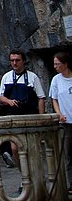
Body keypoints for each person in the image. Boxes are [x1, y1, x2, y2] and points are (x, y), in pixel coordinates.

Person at [0, 49, 46, 171]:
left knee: (32, 148)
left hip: (30, 115)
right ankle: (24, 174)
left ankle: (34, 174)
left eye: (17, 60)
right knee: (14, 148)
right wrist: (9, 101)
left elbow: (41, 97)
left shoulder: (32, 77)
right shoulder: (6, 77)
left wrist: (41, 118)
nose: (14, 63)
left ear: (23, 61)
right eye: (12, 60)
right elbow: (1, 97)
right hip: (13, 116)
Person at [49, 51, 72, 196]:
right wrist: (59, 114)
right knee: (68, 154)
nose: (56, 67)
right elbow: (54, 99)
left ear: (66, 64)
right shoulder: (56, 80)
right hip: (67, 121)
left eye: (58, 64)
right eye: (54, 64)